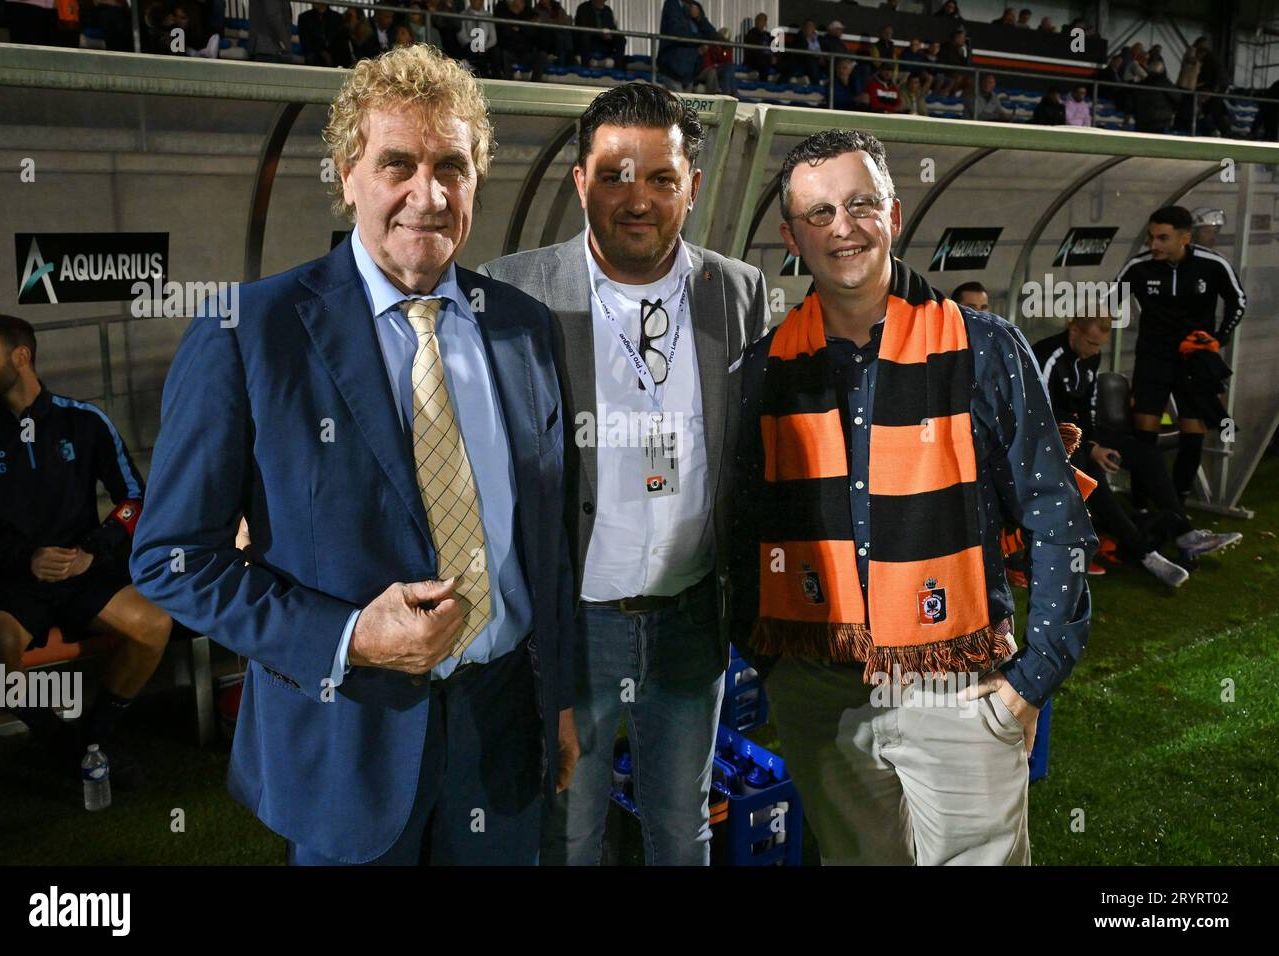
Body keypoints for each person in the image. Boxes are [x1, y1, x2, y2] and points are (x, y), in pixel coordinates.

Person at [130, 45, 578, 866]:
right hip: (347, 741)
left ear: (478, 178)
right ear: (346, 175)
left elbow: (550, 546)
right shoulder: (248, 332)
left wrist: (561, 703)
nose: (428, 194)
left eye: (453, 165)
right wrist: (348, 638)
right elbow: (172, 561)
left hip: (502, 734)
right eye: (397, 163)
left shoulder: (523, 327)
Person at [731, 128, 1097, 865]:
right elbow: (739, 530)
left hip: (958, 687)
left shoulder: (984, 347)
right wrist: (773, 665)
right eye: (821, 213)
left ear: (894, 215)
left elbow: (1056, 515)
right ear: (791, 236)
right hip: (821, 694)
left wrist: (1033, 678)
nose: (844, 227)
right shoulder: (764, 369)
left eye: (862, 204)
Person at [480, 83, 770, 866]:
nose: (635, 199)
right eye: (613, 175)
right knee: (570, 830)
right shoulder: (512, 290)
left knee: (683, 827)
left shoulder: (738, 293)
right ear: (580, 181)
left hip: (689, 621)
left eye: (660, 178)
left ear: (693, 188)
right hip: (573, 626)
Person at [0, 315, 171, 789]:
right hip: (11, 581)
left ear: (20, 357)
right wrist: (24, 558)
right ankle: (58, 744)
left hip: (83, 569)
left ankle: (96, 739)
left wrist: (91, 552)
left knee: (154, 624)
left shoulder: (83, 421)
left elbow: (135, 500)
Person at [1032, 314, 1240, 585]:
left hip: (1079, 430)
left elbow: (1087, 405)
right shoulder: (1047, 355)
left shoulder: (1090, 356)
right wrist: (1089, 448)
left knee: (1147, 455)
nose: (1095, 351)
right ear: (1073, 330)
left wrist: (1094, 442)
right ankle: (1144, 553)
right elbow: (1039, 411)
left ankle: (1185, 533)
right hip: (1047, 436)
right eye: (1091, 343)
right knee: (1092, 474)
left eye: (1100, 345)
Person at [1113, 205, 1246, 504]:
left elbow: (1237, 301)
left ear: (1185, 238)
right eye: (1151, 237)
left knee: (1193, 433)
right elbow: (1109, 301)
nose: (1153, 245)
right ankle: (1142, 506)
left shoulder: (1212, 265)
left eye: (1162, 238)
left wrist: (1217, 339)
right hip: (1153, 359)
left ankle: (1178, 504)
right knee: (1145, 433)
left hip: (1194, 360)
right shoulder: (1139, 266)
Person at [658, 0, 718, 91]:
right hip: (673, 69)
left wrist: (699, 18)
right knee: (677, 103)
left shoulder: (695, 7)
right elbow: (677, 32)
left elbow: (712, 34)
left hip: (690, 71)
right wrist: (701, 41)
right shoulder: (672, 4)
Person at [496, 0, 547, 82]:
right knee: (504, 54)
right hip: (511, 52)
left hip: (526, 52)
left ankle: (535, 83)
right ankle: (508, 83)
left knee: (542, 55)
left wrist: (519, 28)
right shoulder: (505, 15)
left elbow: (532, 33)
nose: (523, 2)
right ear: (514, 2)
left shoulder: (528, 14)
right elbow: (506, 33)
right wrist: (524, 29)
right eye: (521, 1)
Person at [574, 0, 626, 71]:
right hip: (589, 39)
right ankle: (585, 66)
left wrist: (610, 34)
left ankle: (618, 67)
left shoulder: (607, 10)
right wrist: (600, 33)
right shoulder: (583, 8)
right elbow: (582, 26)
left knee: (621, 39)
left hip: (604, 41)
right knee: (585, 36)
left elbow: (612, 27)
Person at [1133, 57, 1179, 133]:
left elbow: (1133, 99)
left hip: (1141, 118)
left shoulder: (1142, 83)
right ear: (1162, 70)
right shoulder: (1165, 83)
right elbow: (1178, 97)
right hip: (1159, 120)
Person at [457, 0, 502, 78]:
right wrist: (474, 45)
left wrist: (484, 47)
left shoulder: (488, 15)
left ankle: (497, 77)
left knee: (495, 52)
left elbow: (493, 38)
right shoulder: (463, 15)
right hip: (469, 46)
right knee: (469, 51)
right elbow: (461, 35)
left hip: (486, 48)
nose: (477, 2)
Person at [299, 3, 347, 67]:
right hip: (313, 60)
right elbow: (305, 43)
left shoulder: (338, 18)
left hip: (334, 59)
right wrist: (322, 52)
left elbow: (340, 43)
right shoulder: (304, 17)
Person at [789, 18, 827, 86]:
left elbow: (824, 49)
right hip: (806, 59)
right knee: (811, 60)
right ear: (803, 28)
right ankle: (816, 84)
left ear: (814, 28)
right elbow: (802, 50)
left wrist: (822, 56)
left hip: (820, 59)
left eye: (811, 26)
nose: (809, 28)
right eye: (807, 26)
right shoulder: (800, 37)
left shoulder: (819, 38)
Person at [742, 12, 775, 81]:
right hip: (756, 60)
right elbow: (753, 50)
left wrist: (775, 56)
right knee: (763, 63)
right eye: (759, 20)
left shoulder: (768, 35)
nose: (760, 22)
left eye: (762, 20)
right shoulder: (751, 33)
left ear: (765, 22)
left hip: (767, 60)